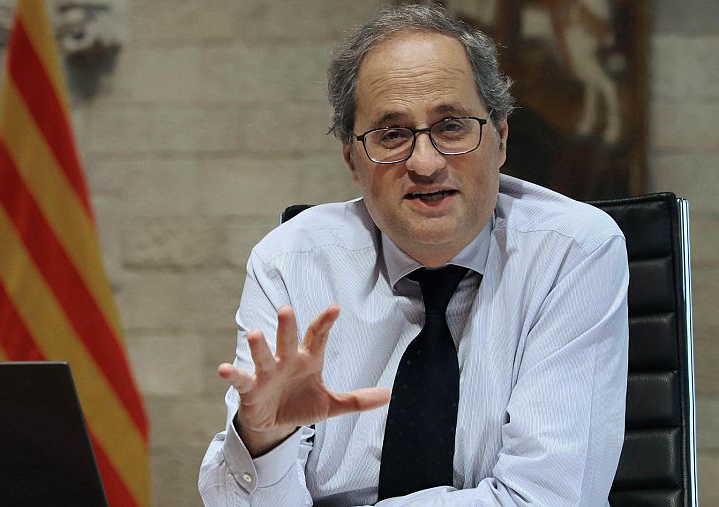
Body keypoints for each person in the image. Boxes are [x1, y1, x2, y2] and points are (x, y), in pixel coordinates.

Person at [199, 4, 628, 506]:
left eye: (451, 126)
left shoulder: (571, 254)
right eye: (393, 135)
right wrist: (263, 441)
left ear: (501, 137)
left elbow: (548, 500)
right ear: (352, 161)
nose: (425, 163)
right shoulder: (293, 263)